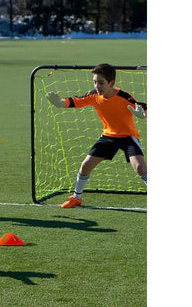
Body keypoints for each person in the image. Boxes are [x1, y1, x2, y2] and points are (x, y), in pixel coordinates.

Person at [46, 63, 147, 208]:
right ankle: (76, 198)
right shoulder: (94, 95)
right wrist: (62, 103)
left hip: (127, 136)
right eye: (95, 82)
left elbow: (141, 106)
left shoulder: (124, 97)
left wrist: (143, 114)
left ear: (111, 83)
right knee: (86, 165)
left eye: (101, 83)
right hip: (108, 136)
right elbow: (77, 101)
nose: (97, 86)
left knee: (139, 168)